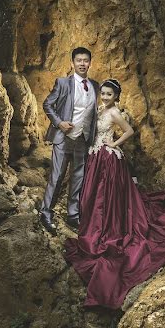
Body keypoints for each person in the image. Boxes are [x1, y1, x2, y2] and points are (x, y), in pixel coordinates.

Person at [64, 78, 165, 309]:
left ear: (116, 97)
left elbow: (130, 131)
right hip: (95, 158)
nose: (105, 97)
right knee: (92, 196)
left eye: (109, 95)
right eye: (103, 93)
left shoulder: (115, 113)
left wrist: (114, 144)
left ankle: (105, 229)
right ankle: (94, 227)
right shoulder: (98, 109)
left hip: (107, 160)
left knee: (107, 199)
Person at [39, 47, 100, 234]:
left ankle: (73, 215)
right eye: (79, 60)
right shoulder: (63, 83)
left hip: (82, 139)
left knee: (78, 178)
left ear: (90, 63)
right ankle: (45, 212)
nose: (82, 63)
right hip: (64, 138)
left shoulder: (96, 86)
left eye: (85, 60)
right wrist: (59, 123)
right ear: (72, 63)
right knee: (56, 177)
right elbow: (47, 104)